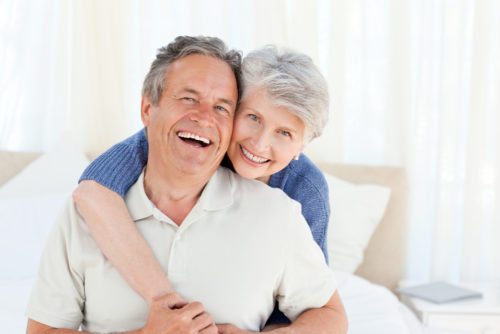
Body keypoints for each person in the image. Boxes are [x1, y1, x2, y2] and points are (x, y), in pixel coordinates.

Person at [26, 36, 348, 334]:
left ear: (301, 148)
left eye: (221, 107)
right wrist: (164, 310)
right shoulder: (97, 200)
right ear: (148, 110)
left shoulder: (294, 201)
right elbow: (94, 188)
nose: (260, 143)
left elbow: (320, 309)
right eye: (252, 117)